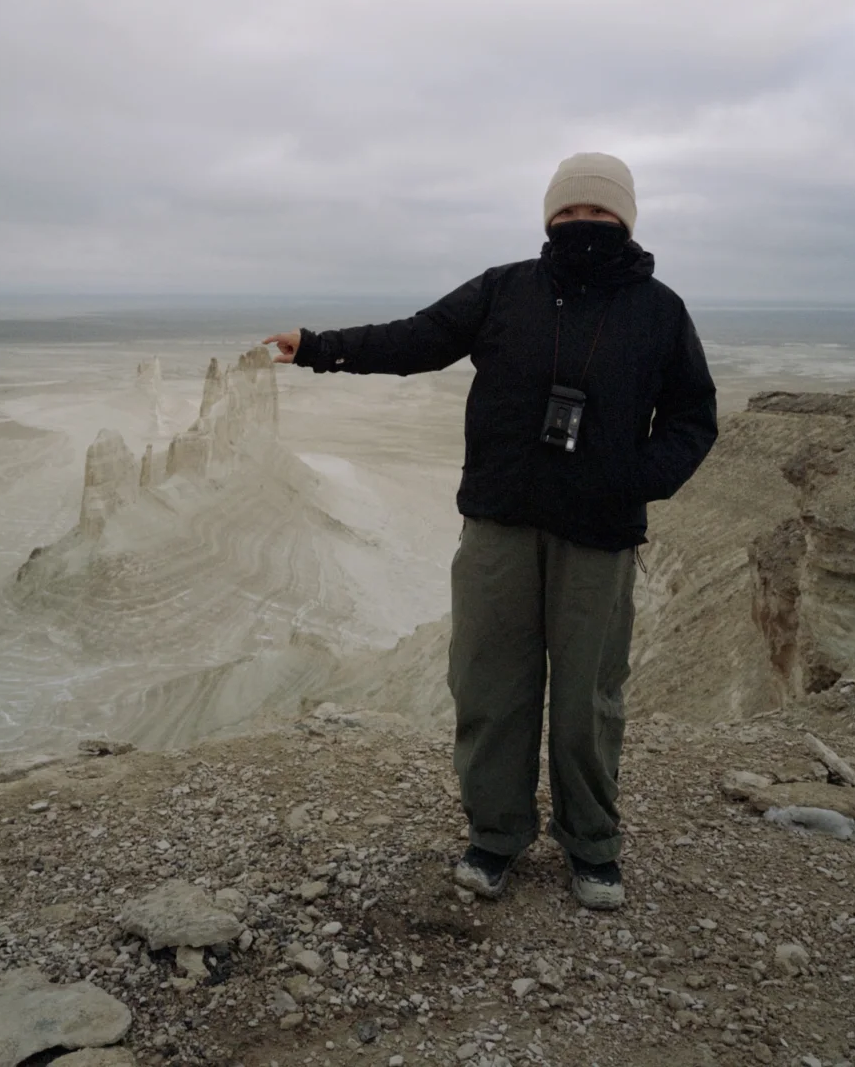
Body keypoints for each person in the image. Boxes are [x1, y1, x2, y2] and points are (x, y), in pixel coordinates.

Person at [265, 152, 717, 910]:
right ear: (548, 218)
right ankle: (496, 835)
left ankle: (592, 845)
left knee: (586, 701)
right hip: (500, 522)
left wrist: (634, 479)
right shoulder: (505, 289)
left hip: (598, 533)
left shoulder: (659, 310)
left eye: (597, 212)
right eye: (567, 211)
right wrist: (320, 347)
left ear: (625, 219)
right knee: (489, 686)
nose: (581, 223)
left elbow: (692, 418)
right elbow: (418, 339)